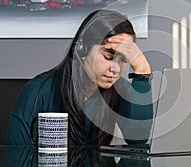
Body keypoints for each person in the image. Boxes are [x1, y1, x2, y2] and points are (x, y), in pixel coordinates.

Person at [6, 9, 153, 147]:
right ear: (82, 50)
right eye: (109, 56)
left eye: (124, 60)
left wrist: (142, 72)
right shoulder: (38, 91)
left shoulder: (120, 89)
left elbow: (137, 139)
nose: (115, 69)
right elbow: (16, 154)